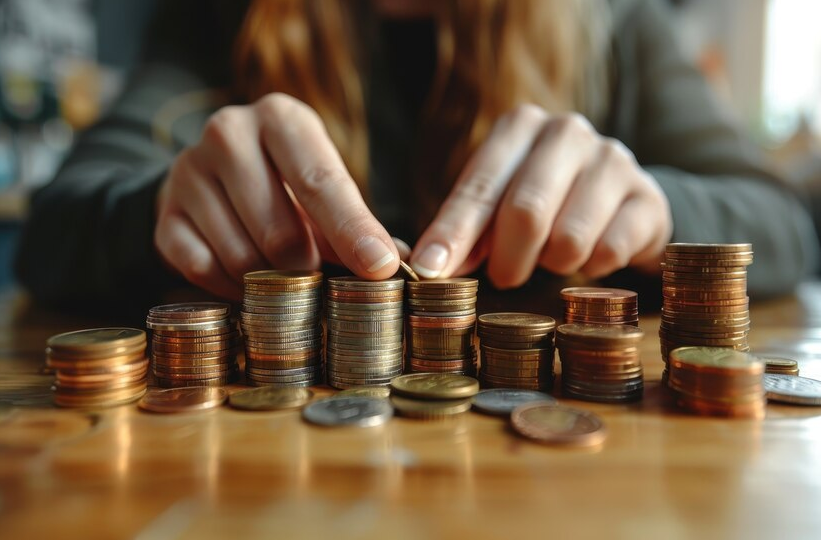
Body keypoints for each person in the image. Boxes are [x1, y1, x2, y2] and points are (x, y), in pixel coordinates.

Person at [14, 0, 819, 310]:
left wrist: (657, 213)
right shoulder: (218, 20)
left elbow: (785, 223)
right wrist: (159, 205)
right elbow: (54, 228)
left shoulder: (619, 26)